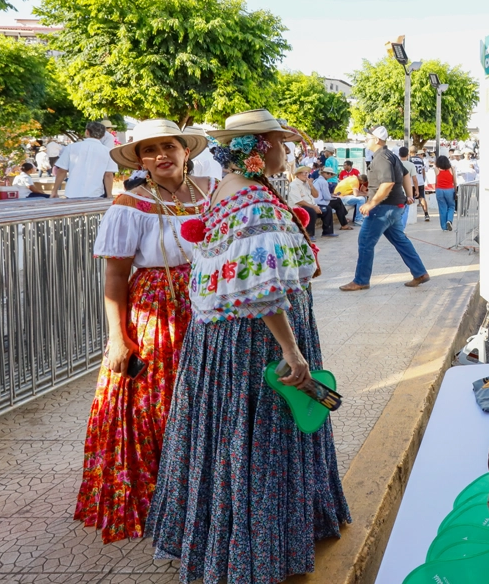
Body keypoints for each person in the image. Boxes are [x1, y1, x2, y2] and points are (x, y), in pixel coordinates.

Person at [147, 108, 349, 583]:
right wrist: (292, 351)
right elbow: (258, 290)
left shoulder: (228, 190)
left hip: (227, 339)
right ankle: (255, 549)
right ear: (260, 148)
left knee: (229, 436)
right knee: (258, 433)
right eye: (281, 143)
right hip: (254, 341)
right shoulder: (253, 201)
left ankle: (232, 537)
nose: (287, 150)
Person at [76, 120, 212, 543]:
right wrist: (118, 338)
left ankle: (206, 493)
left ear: (185, 150)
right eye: (149, 150)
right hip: (156, 311)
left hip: (210, 303)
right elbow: (114, 277)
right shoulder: (128, 204)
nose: (160, 156)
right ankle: (167, 497)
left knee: (207, 396)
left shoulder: (212, 191)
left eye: (168, 146)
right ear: (139, 160)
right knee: (157, 404)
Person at [339, 126, 429, 291]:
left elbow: (388, 183)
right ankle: (420, 272)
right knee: (400, 241)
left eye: (368, 137)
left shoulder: (381, 158)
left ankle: (361, 280)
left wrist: (371, 203)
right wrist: (409, 196)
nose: (366, 140)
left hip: (383, 208)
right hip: (394, 207)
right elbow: (405, 174)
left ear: (377, 140)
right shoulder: (391, 156)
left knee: (365, 242)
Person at [53, 121, 119, 199]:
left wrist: (54, 190)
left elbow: (62, 171)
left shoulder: (71, 148)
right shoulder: (108, 152)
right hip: (95, 193)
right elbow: (108, 175)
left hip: (72, 193)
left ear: (87, 132)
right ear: (103, 135)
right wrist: (109, 195)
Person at [289, 164, 324, 237]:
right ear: (298, 174)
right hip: (298, 206)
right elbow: (299, 201)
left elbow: (316, 195)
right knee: (311, 211)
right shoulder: (294, 185)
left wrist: (311, 186)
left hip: (310, 205)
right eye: (304, 173)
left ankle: (328, 231)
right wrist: (314, 207)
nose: (306, 175)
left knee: (327, 209)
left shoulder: (307, 183)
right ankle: (309, 235)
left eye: (307, 173)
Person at [397, 145, 420, 232]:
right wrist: (417, 190)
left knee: (397, 211)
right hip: (407, 191)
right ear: (408, 154)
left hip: (397, 191)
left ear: (399, 154)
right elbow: (414, 179)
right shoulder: (411, 165)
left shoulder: (396, 164)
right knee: (405, 211)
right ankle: (401, 229)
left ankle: (397, 228)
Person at [434, 154, 457, 231]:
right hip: (449, 190)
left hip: (439, 190)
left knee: (442, 208)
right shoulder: (452, 169)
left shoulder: (436, 170)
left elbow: (436, 181)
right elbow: (455, 182)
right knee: (451, 206)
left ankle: (444, 227)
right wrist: (455, 191)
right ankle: (449, 220)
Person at [409, 147, 429, 221]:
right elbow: (423, 171)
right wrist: (423, 179)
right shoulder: (420, 160)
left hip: (411, 182)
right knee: (422, 198)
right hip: (420, 181)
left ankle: (410, 215)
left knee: (410, 197)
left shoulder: (410, 160)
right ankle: (426, 214)